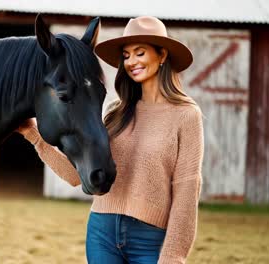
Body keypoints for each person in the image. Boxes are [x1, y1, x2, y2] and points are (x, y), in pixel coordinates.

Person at [16, 16, 204, 264]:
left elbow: (186, 193)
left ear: (162, 55)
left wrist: (172, 256)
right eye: (126, 56)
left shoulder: (186, 115)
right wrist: (33, 136)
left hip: (151, 240)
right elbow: (76, 176)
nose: (131, 62)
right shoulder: (116, 112)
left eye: (140, 53)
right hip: (102, 232)